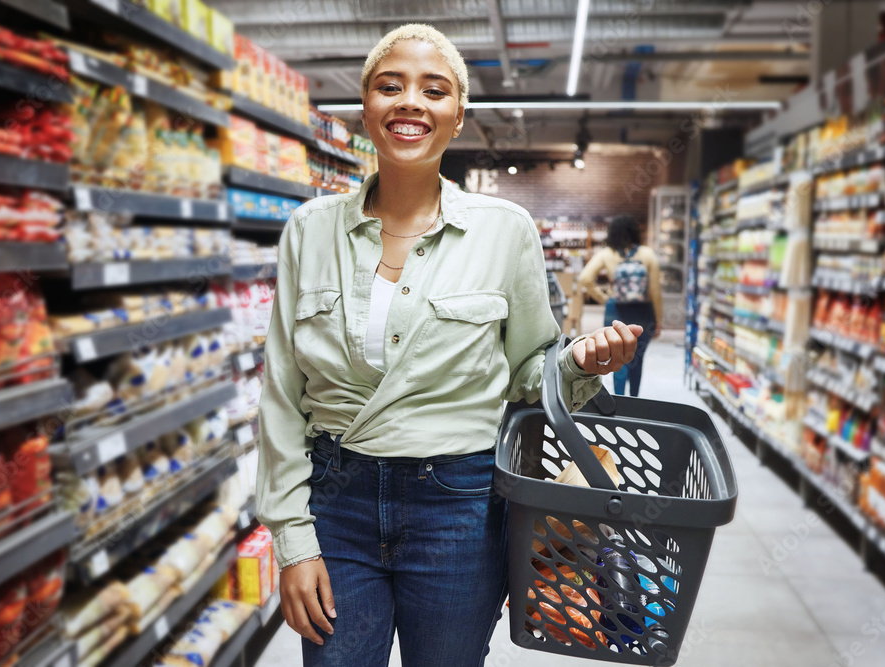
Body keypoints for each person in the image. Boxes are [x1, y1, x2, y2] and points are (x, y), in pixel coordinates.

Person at [256, 24, 641, 667]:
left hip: (458, 506)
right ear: (365, 106)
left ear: (457, 115)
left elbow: (528, 369)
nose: (411, 101)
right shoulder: (309, 231)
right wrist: (292, 540)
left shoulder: (504, 231)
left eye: (434, 90)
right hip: (336, 500)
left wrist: (576, 361)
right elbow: (281, 394)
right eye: (390, 86)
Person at [578, 215, 662, 397]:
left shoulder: (607, 254)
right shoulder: (647, 254)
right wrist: (659, 319)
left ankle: (619, 399)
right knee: (637, 358)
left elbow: (585, 278)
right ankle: (635, 398)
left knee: (617, 356)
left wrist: (604, 298)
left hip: (615, 311)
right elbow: (655, 290)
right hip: (643, 313)